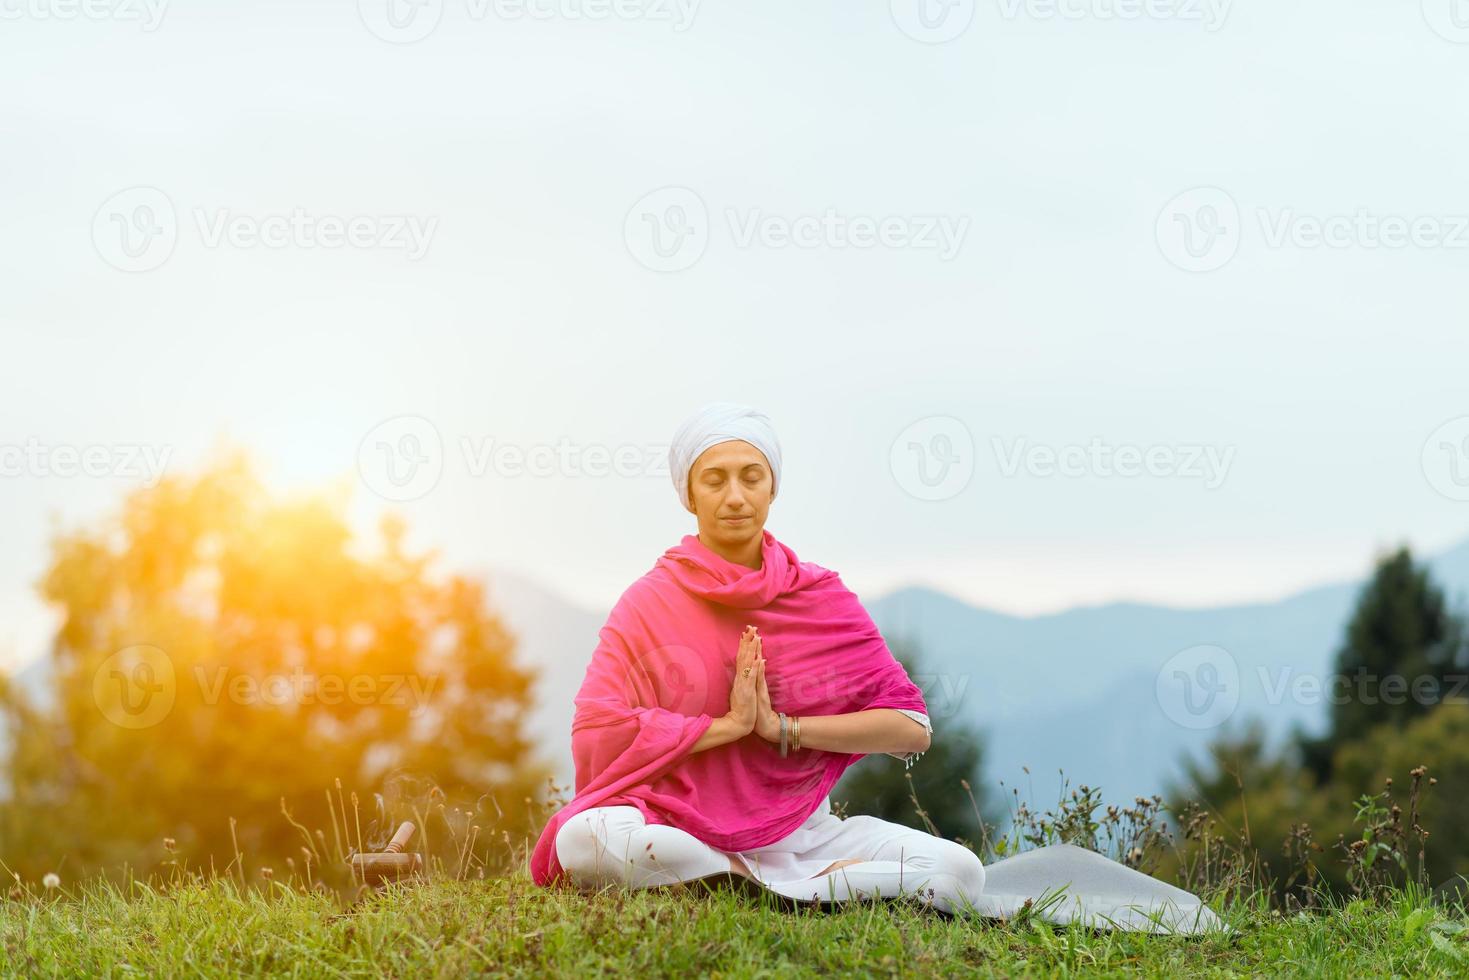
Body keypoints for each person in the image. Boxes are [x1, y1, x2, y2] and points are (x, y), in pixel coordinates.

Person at [528, 403, 1223, 933]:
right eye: (715, 479)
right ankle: (752, 880)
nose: (734, 495)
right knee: (589, 838)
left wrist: (781, 729)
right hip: (673, 823)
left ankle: (745, 881)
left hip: (803, 833)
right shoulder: (649, 602)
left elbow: (910, 727)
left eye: (750, 476)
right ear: (689, 494)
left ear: (772, 488)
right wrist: (726, 726)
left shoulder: (818, 597)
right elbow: (599, 732)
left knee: (957, 871)